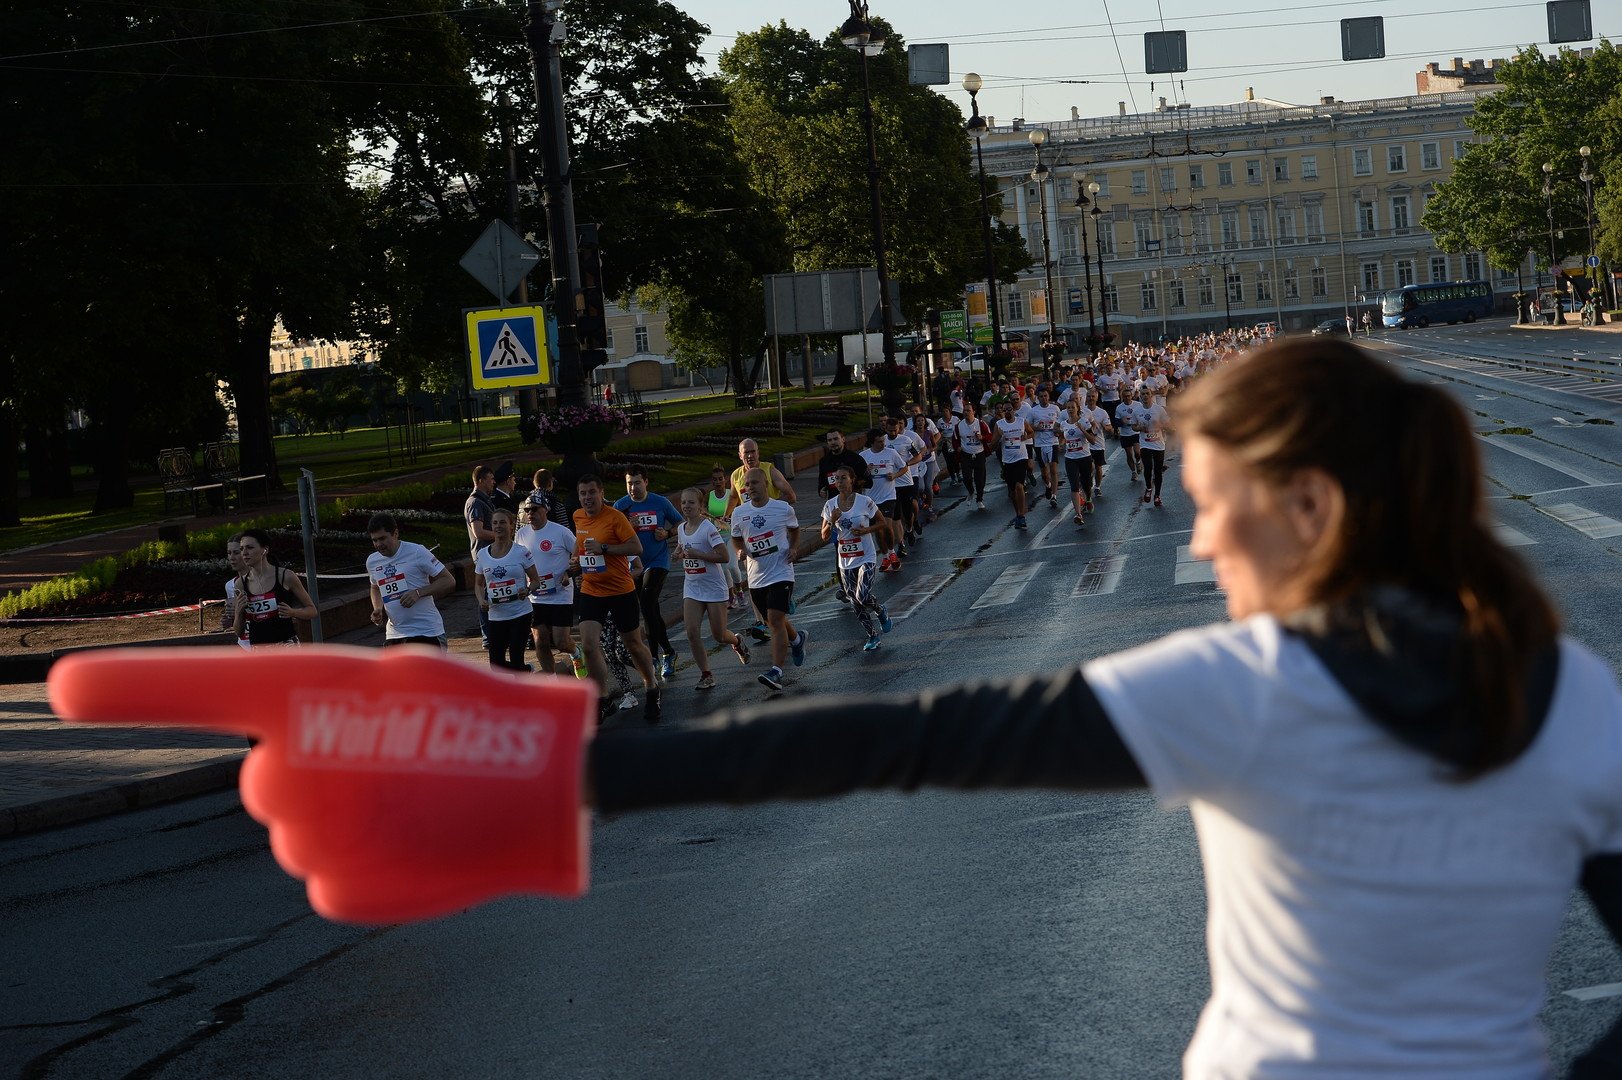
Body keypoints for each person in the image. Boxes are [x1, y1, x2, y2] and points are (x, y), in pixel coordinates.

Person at [584, 338, 1622, 1079]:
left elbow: (911, 741)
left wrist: (569, 776)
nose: (1202, 542)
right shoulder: (1568, 687)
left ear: (1310, 507)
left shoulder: (1251, 687)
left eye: (1217, 506)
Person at [571, 474, 660, 722]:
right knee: (588, 644)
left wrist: (606, 549)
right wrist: (576, 564)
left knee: (632, 644)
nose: (587, 498)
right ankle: (603, 698)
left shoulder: (615, 517)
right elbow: (581, 548)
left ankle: (652, 686)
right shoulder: (578, 516)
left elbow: (636, 548)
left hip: (621, 589)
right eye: (583, 494)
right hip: (592, 589)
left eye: (591, 492)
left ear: (601, 493)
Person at [730, 466, 804, 693]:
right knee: (774, 621)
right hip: (756, 577)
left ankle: (776, 672)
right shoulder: (739, 513)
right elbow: (735, 538)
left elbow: (794, 530)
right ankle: (797, 640)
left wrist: (793, 548)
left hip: (781, 572)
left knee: (774, 619)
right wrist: (740, 550)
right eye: (746, 484)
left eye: (753, 483)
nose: (749, 487)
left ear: (764, 484)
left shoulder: (782, 508)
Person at [674, 487, 750, 690]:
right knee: (691, 632)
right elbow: (683, 549)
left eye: (691, 503)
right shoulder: (681, 529)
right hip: (692, 587)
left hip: (714, 588)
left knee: (718, 635)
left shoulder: (708, 528)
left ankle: (737, 641)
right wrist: (678, 554)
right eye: (683, 503)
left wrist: (699, 554)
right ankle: (706, 674)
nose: (686, 506)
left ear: (701, 506)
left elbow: (724, 557)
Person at [614, 464, 684, 680]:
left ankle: (655, 657)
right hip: (634, 564)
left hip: (658, 561)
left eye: (637, 482)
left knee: (646, 601)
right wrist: (627, 526)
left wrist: (668, 533)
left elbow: (680, 523)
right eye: (629, 483)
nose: (633, 488)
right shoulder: (620, 506)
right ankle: (668, 652)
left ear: (646, 482)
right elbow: (611, 534)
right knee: (650, 609)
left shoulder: (660, 502)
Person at [819, 465, 891, 651]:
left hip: (866, 556)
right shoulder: (830, 505)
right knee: (854, 600)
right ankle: (872, 636)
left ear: (852, 480)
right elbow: (824, 536)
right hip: (845, 560)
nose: (839, 482)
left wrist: (866, 530)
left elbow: (882, 523)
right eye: (836, 479)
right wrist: (832, 521)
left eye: (843, 478)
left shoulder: (865, 501)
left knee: (862, 595)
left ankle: (880, 610)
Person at [366, 512, 454, 649]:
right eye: (374, 540)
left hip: (426, 632)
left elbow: (448, 580)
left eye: (382, 538)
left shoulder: (417, 552)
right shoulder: (372, 561)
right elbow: (375, 587)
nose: (379, 544)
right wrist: (377, 608)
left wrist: (418, 593)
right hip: (394, 635)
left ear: (395, 533)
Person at [473, 508, 541, 671]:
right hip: (496, 616)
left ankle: (520, 690)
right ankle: (525, 671)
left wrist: (528, 590)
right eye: (495, 523)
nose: (498, 526)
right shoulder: (483, 555)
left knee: (516, 657)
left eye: (502, 522)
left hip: (520, 613)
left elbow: (536, 580)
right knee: (496, 665)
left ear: (511, 525)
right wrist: (481, 600)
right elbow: (478, 584)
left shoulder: (521, 552)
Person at [516, 493, 575, 674]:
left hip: (560, 594)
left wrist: (568, 572)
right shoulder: (521, 534)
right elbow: (519, 561)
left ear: (546, 509)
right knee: (540, 641)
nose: (530, 513)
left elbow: (579, 555)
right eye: (527, 510)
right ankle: (552, 681)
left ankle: (575, 652)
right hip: (535, 596)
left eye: (534, 509)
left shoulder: (561, 532)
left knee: (561, 642)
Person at [231, 529, 317, 648]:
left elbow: (312, 610)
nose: (244, 553)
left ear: (265, 550)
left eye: (249, 547)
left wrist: (293, 612)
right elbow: (238, 632)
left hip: (287, 646)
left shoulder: (285, 576)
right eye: (241, 549)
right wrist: (238, 612)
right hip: (259, 650)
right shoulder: (240, 584)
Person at [859, 427, 908, 572]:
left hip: (888, 496)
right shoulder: (863, 456)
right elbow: (858, 479)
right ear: (872, 442)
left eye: (883, 441)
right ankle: (886, 556)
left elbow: (904, 468)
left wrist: (894, 476)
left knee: (886, 525)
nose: (883, 444)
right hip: (871, 499)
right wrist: (865, 471)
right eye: (879, 442)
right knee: (878, 531)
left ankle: (893, 553)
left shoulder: (891, 453)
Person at [706, 466, 747, 610]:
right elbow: (704, 514)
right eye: (715, 479)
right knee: (723, 569)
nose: (718, 482)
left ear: (726, 480)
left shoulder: (732, 494)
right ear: (712, 481)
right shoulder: (709, 496)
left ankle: (740, 591)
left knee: (731, 566)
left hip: (732, 536)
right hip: (716, 538)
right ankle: (731, 596)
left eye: (720, 479)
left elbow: (742, 510)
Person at [465, 465, 496, 648]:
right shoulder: (475, 502)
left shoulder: (484, 500)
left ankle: (493, 633)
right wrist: (500, 535)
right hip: (483, 555)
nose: (493, 482)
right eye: (491, 478)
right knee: (484, 595)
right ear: (481, 480)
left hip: (490, 553)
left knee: (492, 591)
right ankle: (488, 636)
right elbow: (478, 531)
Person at [992, 399, 1033, 529]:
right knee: (1012, 491)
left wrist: (1026, 437)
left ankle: (1021, 515)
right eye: (1005, 410)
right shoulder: (999, 425)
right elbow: (992, 445)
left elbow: (1032, 432)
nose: (1007, 412)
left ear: (1014, 410)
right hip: (1008, 461)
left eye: (1009, 409)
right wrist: (998, 437)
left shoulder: (1021, 422)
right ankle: (1018, 514)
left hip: (1021, 458)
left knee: (1019, 486)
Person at [1026, 387, 1062, 508]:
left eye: (1045, 396)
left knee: (1053, 469)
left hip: (1053, 442)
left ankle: (1054, 496)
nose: (1043, 398)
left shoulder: (1055, 409)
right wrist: (1036, 428)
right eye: (1041, 396)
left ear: (1049, 396)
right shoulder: (1033, 411)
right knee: (1044, 473)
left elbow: (1062, 422)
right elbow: (1027, 426)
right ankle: (1048, 485)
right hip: (1040, 444)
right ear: (1038, 398)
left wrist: (1058, 432)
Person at [953, 402, 991, 510]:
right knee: (967, 477)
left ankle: (979, 499)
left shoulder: (981, 424)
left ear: (973, 412)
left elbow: (989, 436)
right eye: (964, 410)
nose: (966, 412)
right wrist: (957, 447)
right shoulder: (959, 426)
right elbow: (955, 440)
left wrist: (982, 437)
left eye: (968, 410)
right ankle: (970, 491)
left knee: (980, 479)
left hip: (979, 453)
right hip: (966, 455)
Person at [1138, 389, 1171, 508]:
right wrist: (1139, 428)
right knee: (1147, 467)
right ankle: (1148, 488)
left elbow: (1168, 423)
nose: (1145, 396)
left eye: (1147, 394)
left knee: (1157, 471)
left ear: (1151, 395)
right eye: (1143, 394)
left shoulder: (1159, 409)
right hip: (1145, 444)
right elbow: (1133, 426)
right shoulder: (1137, 410)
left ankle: (1157, 495)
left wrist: (1160, 425)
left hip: (1158, 444)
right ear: (1140, 396)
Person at [221, 536, 249, 650]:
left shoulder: (264, 580)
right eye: (229, 553)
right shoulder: (229, 585)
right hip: (244, 645)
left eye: (236, 553)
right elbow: (236, 621)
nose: (232, 558)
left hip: (266, 644)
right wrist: (228, 620)